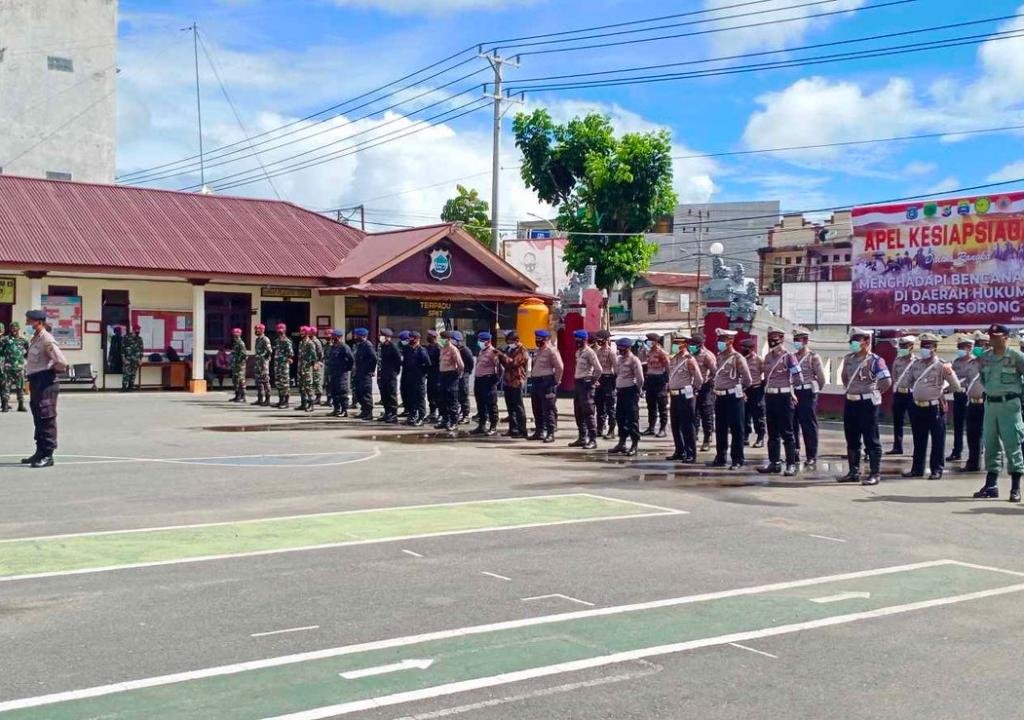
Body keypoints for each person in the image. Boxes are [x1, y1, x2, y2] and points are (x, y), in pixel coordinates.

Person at [972, 323, 1024, 502]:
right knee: (991, 444)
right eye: (991, 336)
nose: (992, 339)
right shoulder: (985, 358)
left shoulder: (1017, 356)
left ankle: (1015, 488)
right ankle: (991, 485)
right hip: (990, 405)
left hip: (1010, 405)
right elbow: (983, 378)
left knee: (1012, 445)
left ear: (1005, 337)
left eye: (996, 336)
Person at [901, 332, 961, 480]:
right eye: (922, 346)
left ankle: (937, 469)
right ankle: (917, 469)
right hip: (917, 407)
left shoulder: (941, 365)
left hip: (935, 407)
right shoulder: (916, 364)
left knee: (937, 440)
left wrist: (943, 390)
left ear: (934, 348)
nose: (924, 349)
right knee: (919, 439)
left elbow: (956, 386)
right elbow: (905, 382)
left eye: (927, 346)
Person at [839, 328, 892, 486]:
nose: (853, 344)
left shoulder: (876, 360)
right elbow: (844, 377)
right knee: (852, 438)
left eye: (857, 340)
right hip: (851, 401)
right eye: (852, 340)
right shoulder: (848, 359)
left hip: (867, 404)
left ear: (866, 342)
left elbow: (886, 381)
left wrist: (874, 392)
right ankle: (853, 472)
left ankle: (875, 474)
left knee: (871, 439)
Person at [21, 309, 68, 468]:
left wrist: (49, 372)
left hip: (46, 381)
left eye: (30, 321)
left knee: (46, 416)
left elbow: (61, 361)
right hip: (36, 381)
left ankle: (48, 455)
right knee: (38, 416)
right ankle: (39, 451)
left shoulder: (47, 339)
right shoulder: (35, 337)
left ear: (38, 322)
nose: (27, 323)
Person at [757, 327, 803, 477]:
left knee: (787, 433)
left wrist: (791, 391)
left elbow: (798, 377)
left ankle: (791, 464)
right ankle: (774, 463)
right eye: (770, 338)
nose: (771, 340)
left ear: (782, 339)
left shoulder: (788, 357)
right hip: (770, 397)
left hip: (784, 397)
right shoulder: (768, 357)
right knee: (772, 433)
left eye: (775, 338)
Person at [708, 329, 752, 470]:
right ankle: (720, 457)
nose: (719, 343)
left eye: (722, 340)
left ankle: (737, 459)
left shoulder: (737, 358)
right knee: (720, 429)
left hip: (734, 397)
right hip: (720, 396)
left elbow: (748, 379)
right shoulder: (720, 357)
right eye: (718, 340)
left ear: (730, 341)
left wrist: (739, 389)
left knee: (737, 429)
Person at [792, 328, 826, 470]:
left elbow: (821, 378)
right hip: (794, 393)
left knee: (808, 426)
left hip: (807, 393)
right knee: (793, 423)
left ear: (805, 341)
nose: (796, 343)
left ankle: (811, 456)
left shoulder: (813, 357)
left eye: (798, 340)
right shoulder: (792, 357)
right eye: (795, 340)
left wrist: (814, 391)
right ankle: (794, 452)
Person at [666, 333, 703, 462]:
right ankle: (679, 451)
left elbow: (699, 379)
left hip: (685, 396)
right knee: (675, 425)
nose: (675, 345)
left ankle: (691, 453)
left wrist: (693, 391)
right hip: (674, 395)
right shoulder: (674, 358)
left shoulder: (689, 360)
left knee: (687, 426)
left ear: (685, 345)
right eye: (674, 343)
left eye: (678, 343)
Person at [529, 329, 563, 443]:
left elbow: (559, 367)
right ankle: (539, 431)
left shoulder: (551, 351)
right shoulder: (538, 351)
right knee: (536, 407)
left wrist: (556, 381)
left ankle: (550, 433)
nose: (537, 341)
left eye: (540, 340)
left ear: (546, 339)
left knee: (548, 409)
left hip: (547, 381)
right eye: (537, 339)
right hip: (536, 381)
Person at [961, 332, 988, 473]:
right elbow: (965, 381)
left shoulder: (992, 362)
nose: (977, 347)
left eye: (980, 345)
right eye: (976, 344)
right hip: (972, 403)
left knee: (991, 436)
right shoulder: (971, 363)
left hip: (988, 404)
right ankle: (973, 463)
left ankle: (992, 466)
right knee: (972, 435)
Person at [611, 337, 643, 456]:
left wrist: (638, 390)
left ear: (629, 348)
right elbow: (617, 373)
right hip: (620, 391)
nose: (621, 351)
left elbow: (640, 378)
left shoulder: (634, 360)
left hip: (631, 392)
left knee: (632, 418)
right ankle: (622, 443)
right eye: (619, 349)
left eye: (623, 349)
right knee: (620, 417)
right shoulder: (619, 359)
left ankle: (634, 444)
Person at [887, 335, 919, 455]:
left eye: (904, 346)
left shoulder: (916, 362)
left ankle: (917, 449)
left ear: (911, 347)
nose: (902, 348)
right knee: (897, 421)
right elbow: (894, 376)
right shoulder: (897, 361)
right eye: (901, 346)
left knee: (915, 422)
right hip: (899, 393)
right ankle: (897, 447)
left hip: (911, 395)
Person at [569, 330, 601, 449]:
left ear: (584, 340)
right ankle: (582, 437)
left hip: (586, 384)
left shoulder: (590, 352)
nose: (576, 341)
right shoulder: (578, 352)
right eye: (575, 339)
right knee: (578, 411)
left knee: (588, 412)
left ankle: (592, 439)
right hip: (578, 383)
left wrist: (592, 380)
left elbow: (599, 369)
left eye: (578, 339)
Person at [947, 335, 975, 462]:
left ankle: (975, 452)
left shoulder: (975, 362)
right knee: (957, 425)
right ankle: (957, 451)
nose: (959, 349)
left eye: (962, 347)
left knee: (972, 427)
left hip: (970, 396)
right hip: (958, 395)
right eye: (958, 347)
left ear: (969, 348)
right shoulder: (956, 362)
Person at [497, 330, 528, 438]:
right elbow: (506, 365)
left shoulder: (522, 350)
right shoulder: (511, 349)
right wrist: (500, 356)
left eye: (510, 341)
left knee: (518, 407)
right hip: (508, 381)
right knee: (510, 407)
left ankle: (522, 430)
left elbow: (514, 363)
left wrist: (503, 355)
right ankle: (513, 429)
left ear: (517, 340)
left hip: (517, 381)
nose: (509, 343)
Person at [470, 331, 501, 436]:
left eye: (482, 341)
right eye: (479, 341)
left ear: (488, 341)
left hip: (488, 381)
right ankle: (481, 425)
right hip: (479, 381)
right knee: (481, 404)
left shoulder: (493, 352)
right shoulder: (482, 351)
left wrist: (494, 381)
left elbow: (499, 368)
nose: (480, 343)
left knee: (491, 404)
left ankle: (493, 426)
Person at [691, 332, 717, 451]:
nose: (691, 346)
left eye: (694, 345)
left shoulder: (707, 356)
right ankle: (694, 436)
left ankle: (707, 438)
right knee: (693, 413)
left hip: (705, 387)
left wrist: (708, 381)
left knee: (706, 413)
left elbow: (715, 372)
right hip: (692, 387)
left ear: (700, 345)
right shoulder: (690, 355)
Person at [436, 330, 464, 433]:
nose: (440, 340)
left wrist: (458, 375)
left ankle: (453, 422)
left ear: (448, 339)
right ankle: (445, 420)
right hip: (442, 375)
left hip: (451, 375)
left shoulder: (453, 349)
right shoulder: (442, 348)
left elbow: (461, 365)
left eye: (442, 338)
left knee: (452, 399)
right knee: (442, 399)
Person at [739, 338, 765, 448]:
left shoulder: (759, 360)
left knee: (758, 415)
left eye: (746, 348)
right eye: (742, 348)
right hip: (744, 390)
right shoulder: (740, 359)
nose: (744, 350)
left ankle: (760, 437)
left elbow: (765, 374)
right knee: (744, 414)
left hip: (756, 389)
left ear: (751, 349)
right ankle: (745, 436)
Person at [642, 333, 669, 438]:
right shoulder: (648, 352)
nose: (648, 342)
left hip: (660, 379)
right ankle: (651, 428)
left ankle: (663, 429)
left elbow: (667, 367)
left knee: (662, 405)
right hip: (650, 379)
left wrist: (668, 381)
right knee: (651, 405)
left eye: (650, 340)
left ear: (656, 342)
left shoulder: (662, 353)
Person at [402, 331, 431, 426]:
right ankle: (412, 415)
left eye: (413, 338)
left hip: (419, 378)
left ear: (418, 339)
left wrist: (423, 374)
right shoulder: (406, 349)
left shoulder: (422, 350)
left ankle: (421, 417)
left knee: (420, 398)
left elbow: (428, 364)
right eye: (410, 338)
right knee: (410, 398)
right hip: (408, 377)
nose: (411, 340)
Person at [594, 330, 618, 439]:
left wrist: (616, 382)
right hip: (600, 379)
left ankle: (611, 430)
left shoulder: (611, 352)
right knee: (599, 405)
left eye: (600, 339)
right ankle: (599, 429)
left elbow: (616, 368)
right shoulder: (597, 352)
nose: (598, 341)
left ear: (606, 340)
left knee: (610, 406)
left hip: (609, 378)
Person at [326, 329, 354, 417]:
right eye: (333, 337)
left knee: (342, 391)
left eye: (335, 337)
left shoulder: (344, 347)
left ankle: (345, 410)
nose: (334, 339)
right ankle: (336, 409)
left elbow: (351, 359)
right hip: (333, 372)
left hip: (342, 373)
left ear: (340, 337)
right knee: (334, 392)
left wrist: (347, 368)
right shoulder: (333, 347)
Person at [352, 327, 377, 420]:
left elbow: (374, 358)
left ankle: (369, 413)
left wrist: (371, 370)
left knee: (366, 393)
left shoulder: (368, 345)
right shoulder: (360, 345)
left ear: (363, 336)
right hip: (359, 372)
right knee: (359, 393)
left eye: (357, 336)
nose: (356, 337)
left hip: (366, 373)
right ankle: (364, 411)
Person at [377, 328, 401, 423]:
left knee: (391, 395)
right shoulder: (382, 346)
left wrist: (394, 372)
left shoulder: (393, 347)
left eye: (381, 335)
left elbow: (398, 361)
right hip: (383, 374)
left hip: (391, 374)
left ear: (387, 337)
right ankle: (387, 413)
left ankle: (393, 415)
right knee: (384, 395)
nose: (380, 337)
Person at [295, 327, 318, 412]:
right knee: (301, 386)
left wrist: (314, 364)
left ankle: (311, 404)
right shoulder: (301, 343)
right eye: (301, 332)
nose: (301, 333)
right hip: (300, 367)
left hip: (307, 368)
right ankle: (303, 403)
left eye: (303, 332)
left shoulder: (310, 343)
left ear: (307, 333)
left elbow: (314, 356)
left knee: (308, 386)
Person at [272, 323, 294, 408]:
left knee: (285, 383)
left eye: (281, 330)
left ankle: (286, 402)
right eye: (278, 330)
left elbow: (291, 353)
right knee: (278, 383)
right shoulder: (277, 340)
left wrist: (287, 358)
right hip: (277, 365)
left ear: (284, 330)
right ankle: (280, 400)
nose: (280, 332)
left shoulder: (287, 341)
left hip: (284, 365)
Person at [250, 324, 272, 406]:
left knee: (265, 382)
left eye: (257, 329)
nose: (256, 331)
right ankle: (260, 399)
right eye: (255, 329)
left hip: (263, 365)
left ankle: (267, 399)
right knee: (258, 382)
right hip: (258, 364)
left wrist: (262, 357)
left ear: (262, 330)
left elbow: (269, 351)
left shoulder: (265, 339)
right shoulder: (257, 340)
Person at [455, 333, 475, 424]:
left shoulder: (465, 350)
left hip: (464, 374)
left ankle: (465, 415)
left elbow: (471, 363)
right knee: (457, 395)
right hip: (456, 374)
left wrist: (467, 372)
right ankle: (458, 413)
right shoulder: (455, 349)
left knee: (464, 394)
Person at [425, 329, 442, 423]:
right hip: (430, 375)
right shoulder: (428, 348)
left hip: (437, 375)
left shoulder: (438, 348)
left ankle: (440, 413)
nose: (428, 337)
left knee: (438, 395)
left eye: (430, 336)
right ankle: (432, 412)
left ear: (434, 338)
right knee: (430, 394)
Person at [121, 325, 144, 392]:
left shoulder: (139, 339)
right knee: (126, 373)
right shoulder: (126, 337)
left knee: (133, 374)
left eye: (139, 330)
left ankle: (130, 387)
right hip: (128, 358)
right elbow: (122, 348)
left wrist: (140, 359)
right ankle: (124, 387)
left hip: (136, 359)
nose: (138, 331)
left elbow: (141, 349)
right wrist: (123, 358)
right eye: (137, 330)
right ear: (134, 330)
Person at [228, 328, 248, 403]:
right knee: (235, 380)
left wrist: (238, 362)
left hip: (240, 365)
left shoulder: (241, 343)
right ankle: (237, 395)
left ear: (239, 334)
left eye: (236, 334)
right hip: (235, 365)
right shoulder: (235, 343)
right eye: (234, 334)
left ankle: (243, 396)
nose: (235, 335)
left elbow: (244, 355)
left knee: (241, 380)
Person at [397, 330, 413, 418]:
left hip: (412, 374)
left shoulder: (413, 348)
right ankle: (406, 409)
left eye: (403, 340)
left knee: (411, 393)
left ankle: (411, 411)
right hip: (405, 372)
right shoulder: (404, 347)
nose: (402, 341)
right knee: (403, 390)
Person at [311, 330, 326, 406]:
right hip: (312, 363)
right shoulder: (311, 341)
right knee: (314, 380)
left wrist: (318, 362)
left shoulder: (317, 342)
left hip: (317, 363)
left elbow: (320, 353)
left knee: (317, 380)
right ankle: (316, 397)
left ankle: (318, 398)